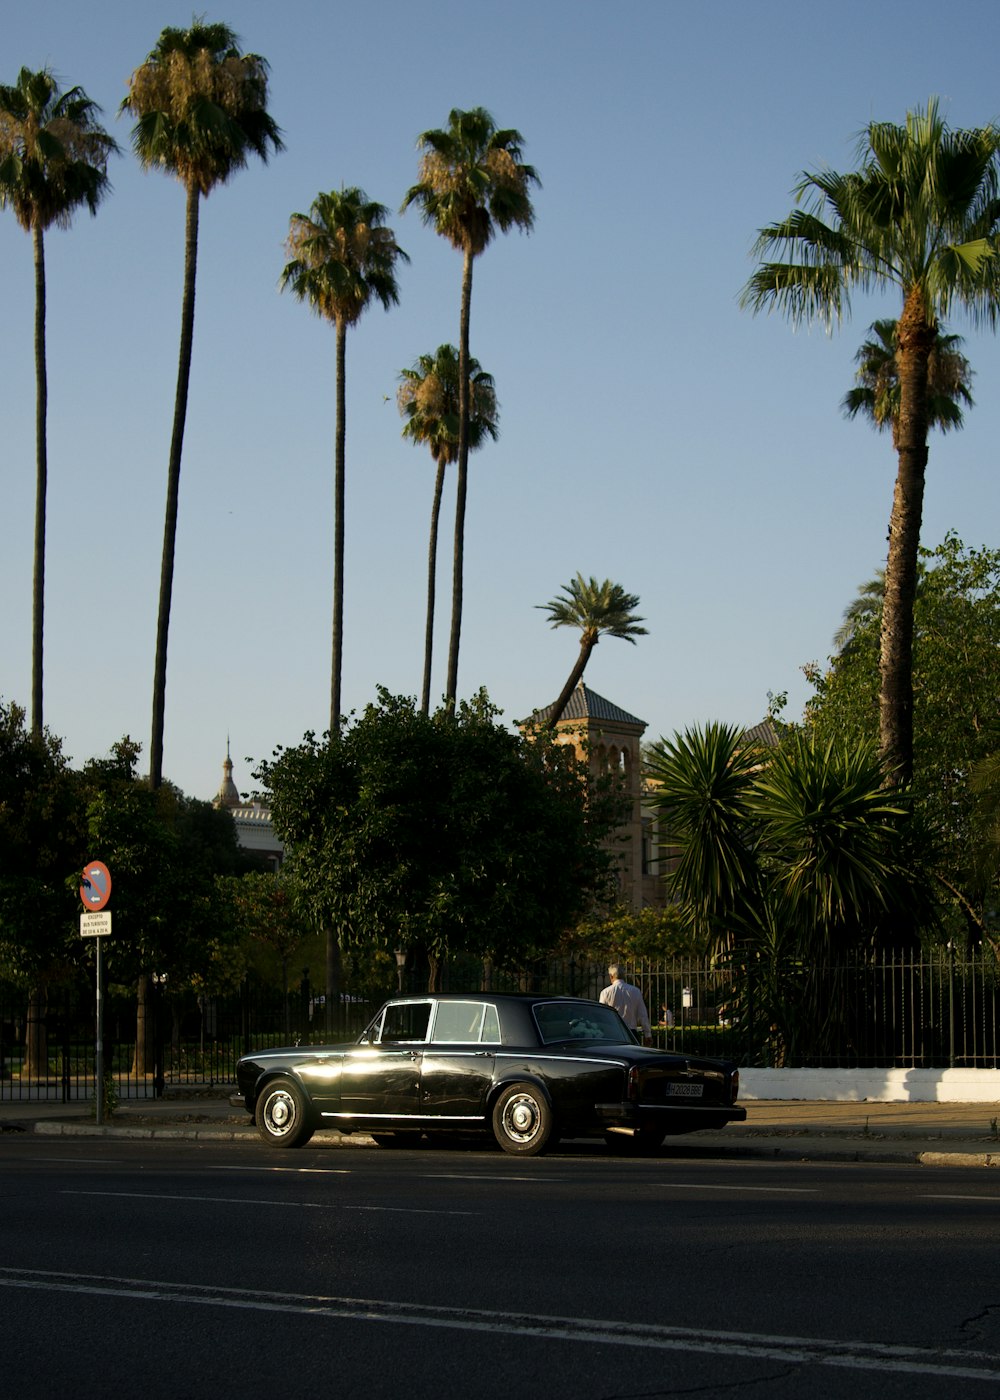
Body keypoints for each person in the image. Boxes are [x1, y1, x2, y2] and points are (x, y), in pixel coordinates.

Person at [599, 964, 652, 1044]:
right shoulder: (635, 991)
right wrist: (647, 1034)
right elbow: (642, 1015)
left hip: (612, 1033)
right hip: (631, 1032)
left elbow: (601, 1015)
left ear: (611, 976)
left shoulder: (605, 992)